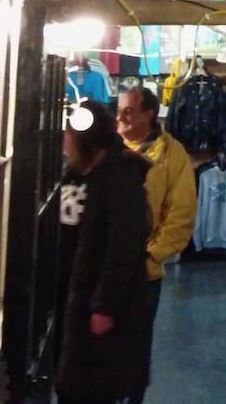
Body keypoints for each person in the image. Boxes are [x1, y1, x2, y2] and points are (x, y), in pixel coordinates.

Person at [56, 101, 152, 404]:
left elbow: (123, 246)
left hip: (99, 302)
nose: (65, 142)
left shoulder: (119, 176)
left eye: (69, 135)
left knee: (94, 385)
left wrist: (105, 306)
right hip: (78, 295)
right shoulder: (78, 174)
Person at [117, 85, 197, 404]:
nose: (121, 117)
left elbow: (181, 212)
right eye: (120, 111)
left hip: (143, 271)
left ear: (149, 115)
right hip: (106, 268)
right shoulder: (110, 149)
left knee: (136, 342)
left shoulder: (171, 154)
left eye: (129, 111)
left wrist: (152, 255)